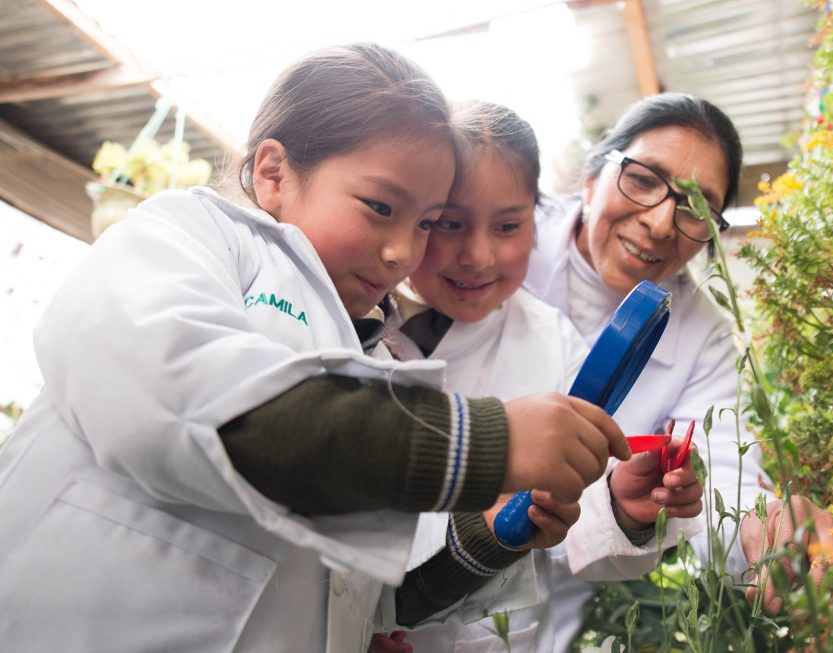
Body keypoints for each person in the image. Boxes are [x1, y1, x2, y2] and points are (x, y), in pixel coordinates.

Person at [0, 45, 631, 653]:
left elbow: (365, 592)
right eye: (381, 207)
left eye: (423, 223)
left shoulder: (380, 362)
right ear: (273, 172)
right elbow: (177, 402)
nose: (402, 253)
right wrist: (486, 442)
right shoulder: (189, 239)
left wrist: (489, 538)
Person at [369, 100, 703, 653]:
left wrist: (620, 501)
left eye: (508, 225)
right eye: (449, 223)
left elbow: (575, 505)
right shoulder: (355, 321)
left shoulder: (554, 343)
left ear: (537, 218)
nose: (477, 255)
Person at [527, 92, 833, 616]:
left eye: (697, 207)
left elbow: (717, 467)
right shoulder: (505, 246)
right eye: (644, 179)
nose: (660, 223)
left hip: (549, 615)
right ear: (590, 179)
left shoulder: (702, 332)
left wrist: (760, 525)